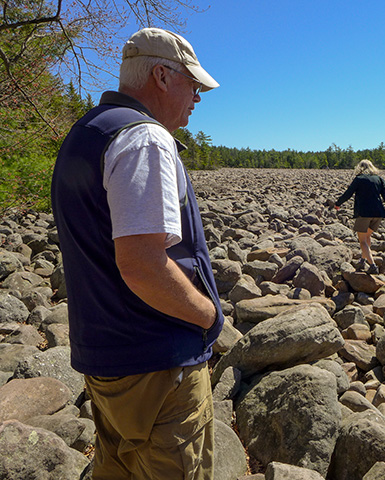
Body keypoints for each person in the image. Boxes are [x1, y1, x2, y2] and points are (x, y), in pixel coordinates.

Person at [51, 28, 224, 480]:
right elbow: (143, 266)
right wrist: (208, 317)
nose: (198, 98)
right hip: (157, 367)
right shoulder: (144, 138)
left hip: (105, 359)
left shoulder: (87, 131)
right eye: (194, 85)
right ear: (163, 77)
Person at [334, 159, 385, 274]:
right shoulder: (379, 179)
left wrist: (338, 204)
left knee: (362, 241)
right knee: (367, 237)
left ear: (360, 167)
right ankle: (363, 260)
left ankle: (372, 265)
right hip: (378, 214)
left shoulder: (359, 179)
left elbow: (348, 193)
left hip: (364, 213)